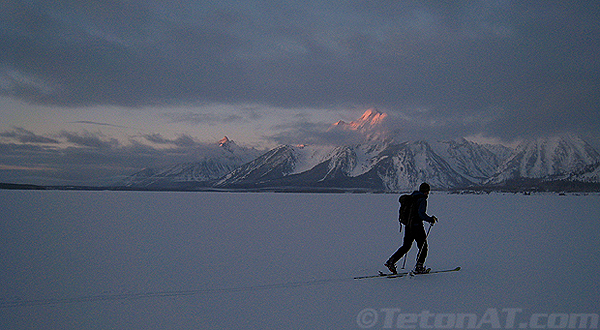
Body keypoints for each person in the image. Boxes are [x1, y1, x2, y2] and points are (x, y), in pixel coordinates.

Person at [385, 182, 438, 274]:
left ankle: (391, 261)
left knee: (406, 246)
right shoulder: (422, 200)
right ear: (426, 191)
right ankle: (419, 266)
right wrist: (430, 219)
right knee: (423, 247)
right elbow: (421, 214)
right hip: (417, 226)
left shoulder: (412, 197)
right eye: (428, 192)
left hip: (408, 226)